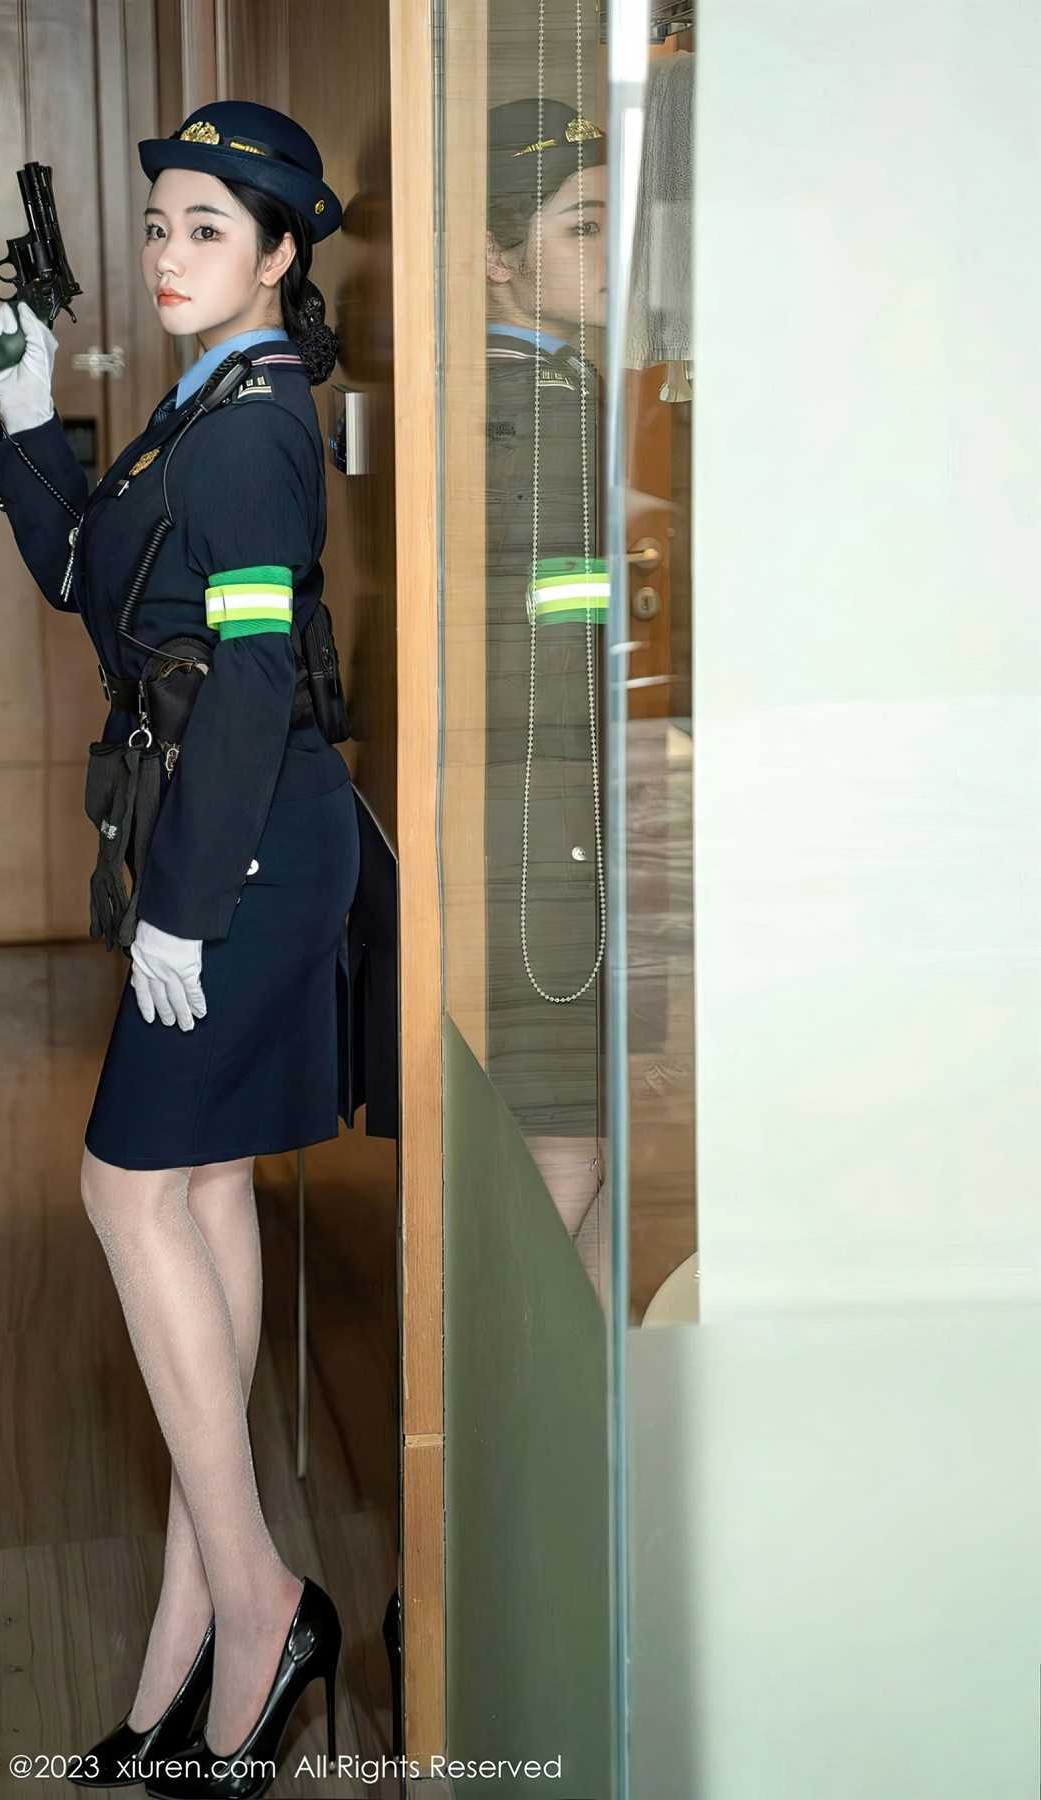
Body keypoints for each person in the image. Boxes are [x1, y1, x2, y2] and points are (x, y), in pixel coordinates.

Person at [0, 102, 356, 1798]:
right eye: (159, 224)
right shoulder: (195, 407)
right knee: (194, 1192)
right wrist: (25, 417)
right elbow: (88, 579)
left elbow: (257, 680)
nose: (169, 251)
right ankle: (190, 1642)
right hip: (212, 831)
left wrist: (192, 907)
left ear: (278, 254)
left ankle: (261, 1606)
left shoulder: (255, 428)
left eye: (209, 226)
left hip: (244, 848)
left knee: (127, 1190)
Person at [483, 99, 611, 1248]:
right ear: (496, 258)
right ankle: (515, 1365)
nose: (612, 254)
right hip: (551, 807)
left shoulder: (541, 384)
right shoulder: (543, 402)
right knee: (569, 1142)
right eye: (583, 227)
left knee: (584, 1141)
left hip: (537, 801)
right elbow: (560, 649)